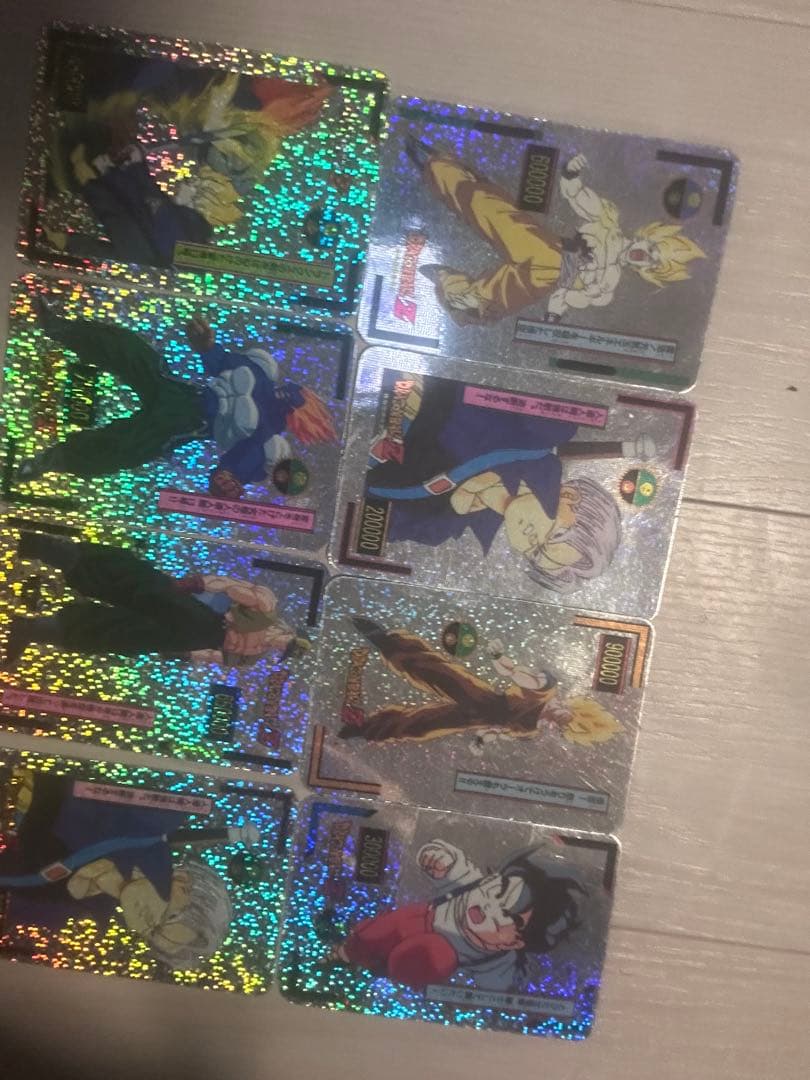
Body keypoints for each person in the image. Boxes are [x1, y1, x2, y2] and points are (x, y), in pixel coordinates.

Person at [17, 300, 337, 500]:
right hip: (179, 391)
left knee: (122, 447)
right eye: (299, 393)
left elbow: (229, 471)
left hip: (182, 425)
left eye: (299, 402)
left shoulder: (264, 439)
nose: (291, 395)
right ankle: (59, 328)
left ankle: (54, 460)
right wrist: (205, 344)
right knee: (129, 351)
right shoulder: (261, 373)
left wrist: (224, 482)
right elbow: (219, 361)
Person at [365, 371, 652, 593]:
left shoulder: (435, 529)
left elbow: (357, 515)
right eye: (552, 536)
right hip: (385, 377)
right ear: (569, 498)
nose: (530, 538)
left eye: (535, 552)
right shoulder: (537, 433)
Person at [407, 138, 706, 325]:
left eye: (653, 263)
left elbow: (563, 297)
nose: (646, 257)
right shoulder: (607, 221)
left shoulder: (607, 284)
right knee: (492, 209)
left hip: (541, 277)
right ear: (647, 236)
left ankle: (457, 288)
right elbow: (576, 194)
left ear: (649, 273)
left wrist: (553, 318)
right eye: (652, 250)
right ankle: (441, 169)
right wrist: (571, 173)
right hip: (542, 246)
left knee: (541, 274)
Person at [0, 769, 256, 970]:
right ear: (181, 881)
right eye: (168, 916)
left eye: (152, 933)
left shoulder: (65, 912)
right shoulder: (125, 822)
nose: (146, 921)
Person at [3, 532, 309, 669]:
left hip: (193, 636)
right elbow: (233, 587)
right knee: (136, 585)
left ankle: (35, 629)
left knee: (123, 636)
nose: (282, 647)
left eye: (286, 651)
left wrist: (186, 655)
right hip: (200, 614)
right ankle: (42, 547)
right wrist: (198, 582)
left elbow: (215, 656)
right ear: (289, 633)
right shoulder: (266, 609)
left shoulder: (252, 656)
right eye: (289, 643)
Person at [330, 837, 585, 992]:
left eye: (507, 915)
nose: (489, 906)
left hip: (423, 960)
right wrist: (437, 858)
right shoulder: (468, 884)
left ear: (514, 942)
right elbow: (452, 861)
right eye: (499, 890)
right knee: (374, 935)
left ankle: (375, 964)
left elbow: (502, 983)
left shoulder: (496, 961)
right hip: (411, 920)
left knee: (434, 955)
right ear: (492, 879)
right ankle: (346, 952)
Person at [339, 618, 620, 748]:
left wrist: (483, 740)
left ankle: (366, 730)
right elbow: (517, 674)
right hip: (480, 697)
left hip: (471, 719)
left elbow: (499, 730)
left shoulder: (530, 730)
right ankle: (385, 641)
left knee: (421, 727)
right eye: (567, 716)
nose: (559, 719)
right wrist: (499, 657)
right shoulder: (545, 690)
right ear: (573, 706)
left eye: (564, 725)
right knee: (433, 671)